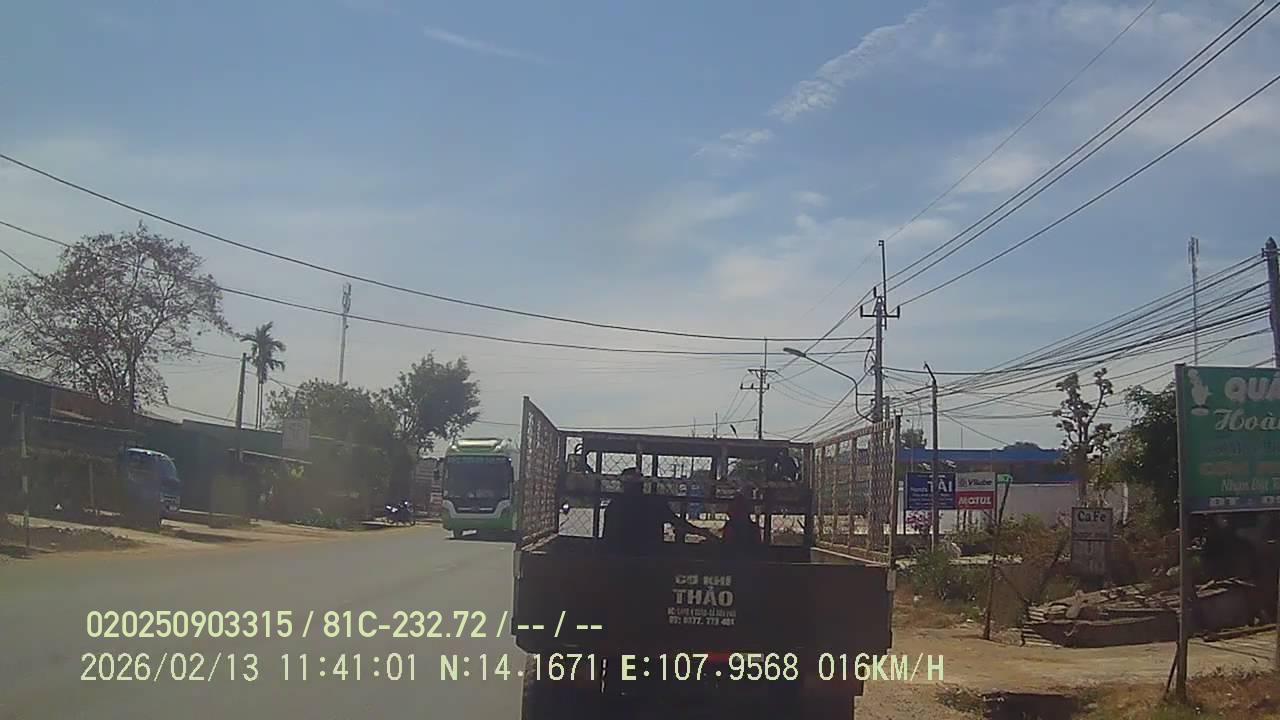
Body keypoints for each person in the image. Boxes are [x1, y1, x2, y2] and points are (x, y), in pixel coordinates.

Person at [604, 467, 716, 550]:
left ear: (623, 485)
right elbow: (678, 523)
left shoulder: (615, 505)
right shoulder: (654, 503)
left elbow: (607, 539)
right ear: (642, 485)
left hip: (621, 554)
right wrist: (703, 532)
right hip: (651, 554)